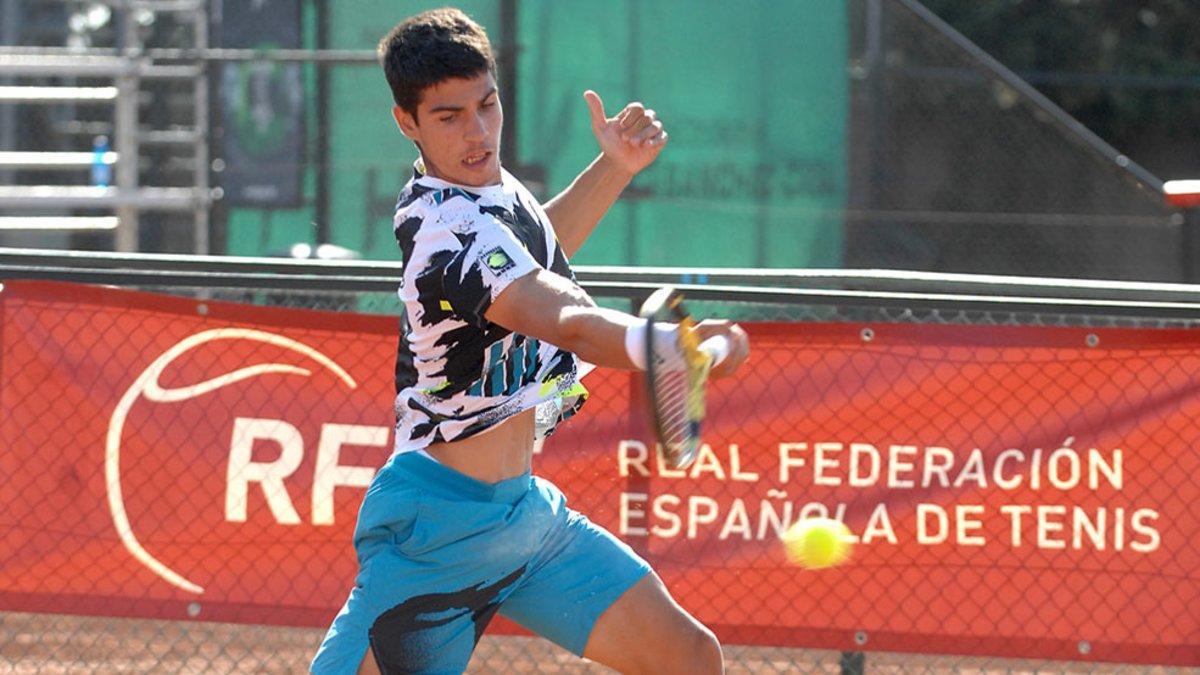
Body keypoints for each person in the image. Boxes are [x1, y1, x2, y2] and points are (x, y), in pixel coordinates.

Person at [312, 8, 749, 674]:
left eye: (487, 105)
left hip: (526, 520)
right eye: (450, 116)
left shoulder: (494, 192)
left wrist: (614, 167)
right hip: (437, 532)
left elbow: (538, 254)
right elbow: (566, 319)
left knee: (689, 657)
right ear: (408, 123)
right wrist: (661, 343)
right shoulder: (443, 231)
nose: (479, 132)